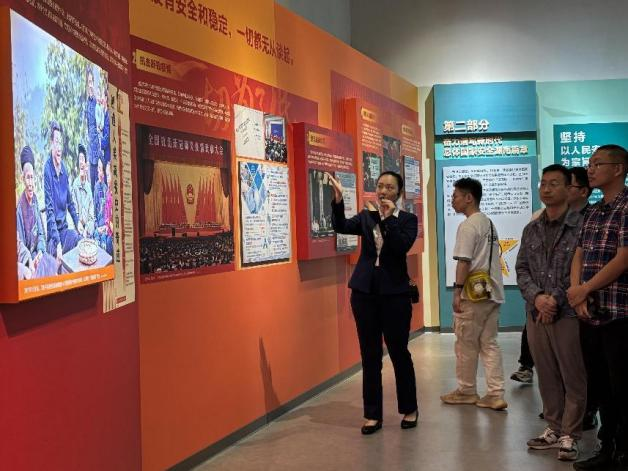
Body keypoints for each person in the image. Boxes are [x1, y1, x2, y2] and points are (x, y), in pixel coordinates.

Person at [328, 170, 418, 435]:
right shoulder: (367, 216)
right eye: (380, 186)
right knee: (369, 355)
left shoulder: (408, 220)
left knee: (399, 352)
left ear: (399, 192)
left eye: (389, 187)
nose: (383, 191)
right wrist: (338, 200)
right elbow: (341, 226)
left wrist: (388, 219)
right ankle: (372, 414)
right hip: (364, 294)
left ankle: (410, 408)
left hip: (395, 295)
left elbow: (399, 247)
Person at [516, 164, 586, 462]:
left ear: (569, 189)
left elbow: (580, 271)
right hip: (536, 313)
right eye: (543, 183)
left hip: (566, 312)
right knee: (546, 373)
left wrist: (552, 300)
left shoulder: (581, 226)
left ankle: (571, 434)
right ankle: (554, 427)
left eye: (554, 183)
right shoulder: (531, 228)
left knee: (572, 374)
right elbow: (521, 268)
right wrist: (537, 298)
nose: (546, 189)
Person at [568, 144, 628, 471]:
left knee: (622, 385)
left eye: (597, 163)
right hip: (590, 313)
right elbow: (579, 253)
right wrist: (577, 293)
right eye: (589, 163)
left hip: (620, 313)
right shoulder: (592, 211)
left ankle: (624, 450)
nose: (590, 169)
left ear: (617, 169)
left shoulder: (626, 206)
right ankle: (607, 446)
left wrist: (585, 288)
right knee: (601, 384)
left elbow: (624, 258)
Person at [440, 177, 507, 411]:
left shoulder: (468, 226)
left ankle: (466, 390)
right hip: (492, 292)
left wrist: (457, 292)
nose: (452, 200)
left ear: (469, 198)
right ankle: (496, 393)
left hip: (473, 295)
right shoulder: (488, 223)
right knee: (489, 343)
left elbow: (464, 261)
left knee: (466, 344)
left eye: (456, 196)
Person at [566, 166, 598, 432]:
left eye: (570, 185)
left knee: (593, 364)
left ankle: (590, 410)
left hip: (592, 299)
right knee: (572, 361)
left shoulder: (595, 215)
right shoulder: (558, 218)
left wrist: (582, 291)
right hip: (571, 298)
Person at [16, 146, 57, 278]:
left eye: (32, 178)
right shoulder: (19, 209)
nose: (31, 183)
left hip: (37, 253)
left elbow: (40, 232)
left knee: (51, 264)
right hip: (28, 260)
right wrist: (30, 260)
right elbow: (20, 244)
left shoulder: (35, 200)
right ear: (23, 179)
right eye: (28, 178)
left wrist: (40, 250)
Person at [43, 121, 80, 261]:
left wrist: (77, 223)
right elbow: (50, 211)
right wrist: (58, 243)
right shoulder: (47, 170)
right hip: (53, 238)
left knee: (78, 239)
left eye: (61, 143)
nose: (59, 147)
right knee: (57, 256)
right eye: (56, 142)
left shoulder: (64, 169)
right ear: (51, 144)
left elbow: (70, 203)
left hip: (64, 232)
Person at [71, 144, 95, 239]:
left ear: (86, 165)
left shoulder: (89, 188)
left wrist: (87, 230)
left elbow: (91, 217)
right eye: (79, 159)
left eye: (82, 159)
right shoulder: (75, 186)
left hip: (87, 231)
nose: (81, 162)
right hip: (77, 230)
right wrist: (80, 228)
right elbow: (74, 213)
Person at [86, 67, 100, 195]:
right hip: (91, 151)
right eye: (88, 82)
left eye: (92, 82)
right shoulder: (87, 104)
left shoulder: (98, 102)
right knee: (92, 187)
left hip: (99, 151)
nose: (90, 86)